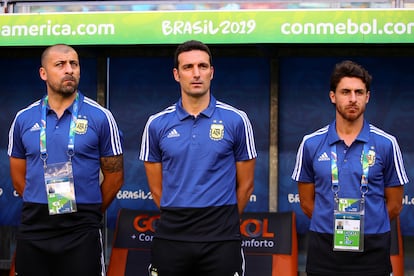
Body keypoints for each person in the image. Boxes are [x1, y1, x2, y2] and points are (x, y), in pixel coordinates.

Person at [139, 40, 257, 276]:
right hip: (172, 235)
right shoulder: (156, 123)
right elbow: (156, 189)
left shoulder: (237, 120)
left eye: (202, 66)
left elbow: (246, 186)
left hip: (221, 238)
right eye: (188, 67)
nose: (196, 74)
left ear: (211, 72)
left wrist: (222, 221)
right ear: (176, 74)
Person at [8, 44, 124, 276]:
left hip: (82, 227)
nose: (69, 70)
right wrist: (43, 202)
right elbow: (19, 178)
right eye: (60, 64)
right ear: (43, 73)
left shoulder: (101, 116)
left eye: (74, 64)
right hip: (35, 225)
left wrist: (89, 211)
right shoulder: (23, 118)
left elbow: (115, 177)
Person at [292, 60, 408, 276]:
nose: (353, 99)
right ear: (333, 96)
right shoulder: (311, 143)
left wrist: (369, 224)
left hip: (373, 246)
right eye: (345, 92)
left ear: (367, 97)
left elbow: (394, 204)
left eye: (359, 92)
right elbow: (307, 203)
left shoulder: (386, 143)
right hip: (324, 245)